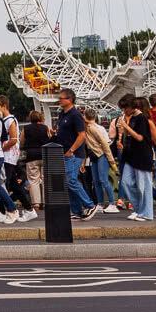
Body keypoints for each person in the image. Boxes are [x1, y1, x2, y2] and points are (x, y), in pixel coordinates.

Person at [53, 88, 96, 220]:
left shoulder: (75, 115)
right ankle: (77, 210)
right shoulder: (62, 114)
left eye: (62, 98)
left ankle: (89, 205)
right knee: (68, 181)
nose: (59, 100)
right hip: (65, 152)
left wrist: (71, 150)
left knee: (70, 180)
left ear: (70, 99)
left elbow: (82, 135)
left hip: (74, 153)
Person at [117, 96, 156, 221]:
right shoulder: (134, 118)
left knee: (143, 186)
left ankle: (146, 213)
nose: (124, 111)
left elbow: (140, 138)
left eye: (125, 108)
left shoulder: (142, 118)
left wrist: (126, 126)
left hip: (142, 156)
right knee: (125, 182)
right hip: (132, 156)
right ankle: (140, 209)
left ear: (132, 107)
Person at [80, 107, 120, 214]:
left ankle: (111, 204)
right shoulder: (92, 128)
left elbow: (104, 146)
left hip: (100, 155)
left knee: (101, 180)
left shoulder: (93, 128)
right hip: (96, 156)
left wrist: (111, 162)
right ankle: (101, 204)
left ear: (85, 116)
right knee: (98, 181)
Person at [18, 107, 47, 213]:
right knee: (44, 179)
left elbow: (21, 141)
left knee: (33, 180)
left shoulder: (26, 128)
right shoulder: (45, 127)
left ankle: (36, 203)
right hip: (44, 155)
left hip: (31, 155)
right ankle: (46, 201)